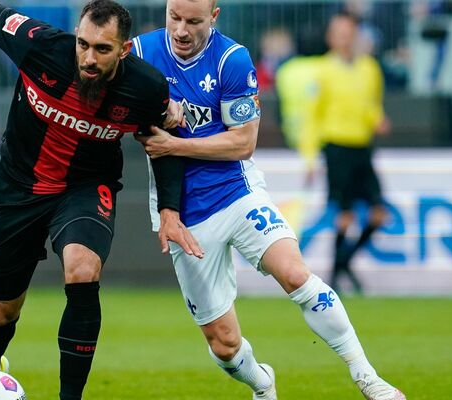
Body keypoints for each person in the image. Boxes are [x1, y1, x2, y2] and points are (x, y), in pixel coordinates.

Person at [0, 0, 202, 399]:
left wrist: (169, 209)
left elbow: (165, 141)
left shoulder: (146, 87)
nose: (89, 58)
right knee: (1, 311)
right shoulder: (38, 44)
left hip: (85, 187)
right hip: (17, 189)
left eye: (102, 49)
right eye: (83, 45)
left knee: (82, 270)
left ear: (124, 50)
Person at [133, 1, 404, 399]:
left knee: (295, 274)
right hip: (187, 219)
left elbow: (243, 141)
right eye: (174, 18)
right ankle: (262, 383)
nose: (181, 31)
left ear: (214, 16)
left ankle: (367, 377)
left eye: (194, 21)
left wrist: (175, 145)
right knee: (223, 345)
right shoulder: (140, 54)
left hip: (236, 193)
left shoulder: (231, 59)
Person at [298, 12, 391, 295]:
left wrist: (378, 119)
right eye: (339, 32)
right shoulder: (322, 71)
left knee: (378, 214)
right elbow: (311, 116)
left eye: (349, 32)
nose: (345, 37)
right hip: (337, 147)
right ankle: (338, 273)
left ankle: (342, 264)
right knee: (344, 214)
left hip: (362, 147)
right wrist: (310, 156)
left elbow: (372, 104)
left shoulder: (369, 68)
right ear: (331, 37)